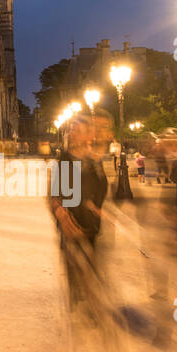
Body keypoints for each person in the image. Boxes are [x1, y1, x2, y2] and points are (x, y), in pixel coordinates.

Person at [48, 113, 109, 316]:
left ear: (87, 135)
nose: (72, 132)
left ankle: (90, 304)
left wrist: (96, 207)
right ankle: (79, 299)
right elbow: (57, 193)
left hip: (90, 225)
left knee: (92, 267)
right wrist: (63, 216)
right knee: (76, 265)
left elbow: (101, 187)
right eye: (71, 129)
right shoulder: (65, 158)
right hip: (71, 224)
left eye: (77, 129)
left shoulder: (93, 160)